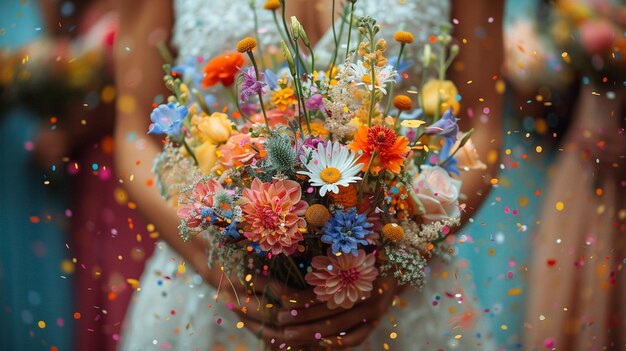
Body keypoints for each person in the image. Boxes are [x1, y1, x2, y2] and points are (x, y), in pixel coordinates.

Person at [114, 0, 504, 349]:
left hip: (402, 296)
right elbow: (134, 135)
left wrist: (401, 264)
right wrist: (214, 264)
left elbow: (481, 126)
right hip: (218, 296)